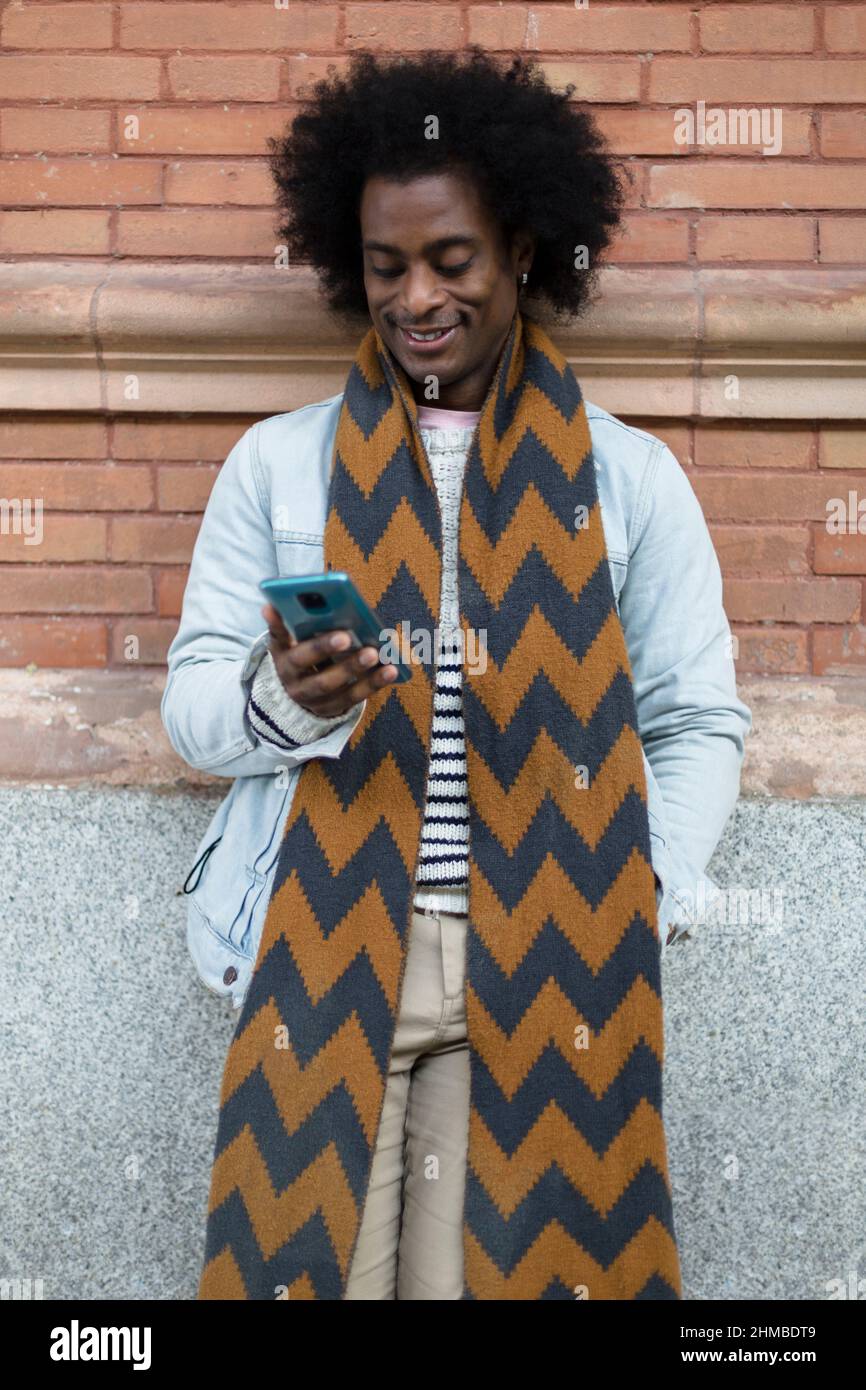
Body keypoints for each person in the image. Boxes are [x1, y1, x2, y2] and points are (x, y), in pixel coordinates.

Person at [163, 48, 752, 1301]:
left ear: (524, 249)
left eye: (450, 260)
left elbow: (695, 718)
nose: (416, 297)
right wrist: (283, 701)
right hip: (324, 952)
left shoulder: (629, 478)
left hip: (546, 953)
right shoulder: (278, 470)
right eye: (385, 268)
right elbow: (193, 710)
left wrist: (644, 886)